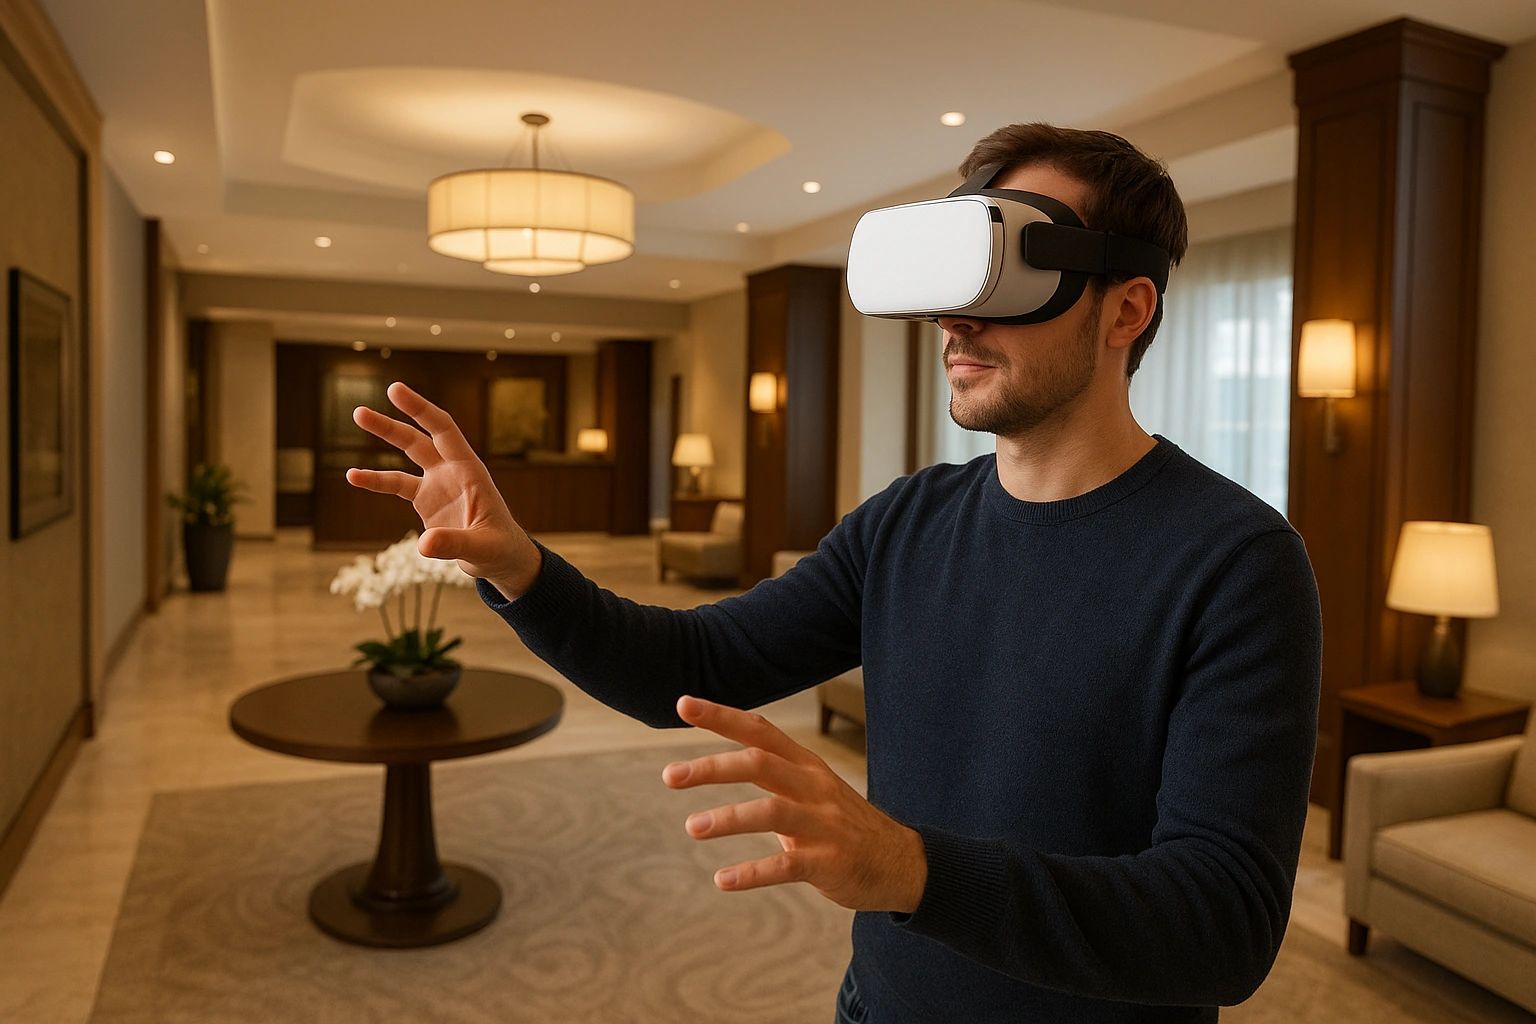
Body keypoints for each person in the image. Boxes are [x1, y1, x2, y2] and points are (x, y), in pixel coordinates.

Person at [345, 123, 1322, 1024]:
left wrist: (910, 867)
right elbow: (693, 663)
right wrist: (522, 567)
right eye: (952, 278)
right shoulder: (908, 520)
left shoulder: (1234, 562)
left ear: (1127, 309)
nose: (956, 320)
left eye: (1006, 275)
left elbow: (1223, 923)